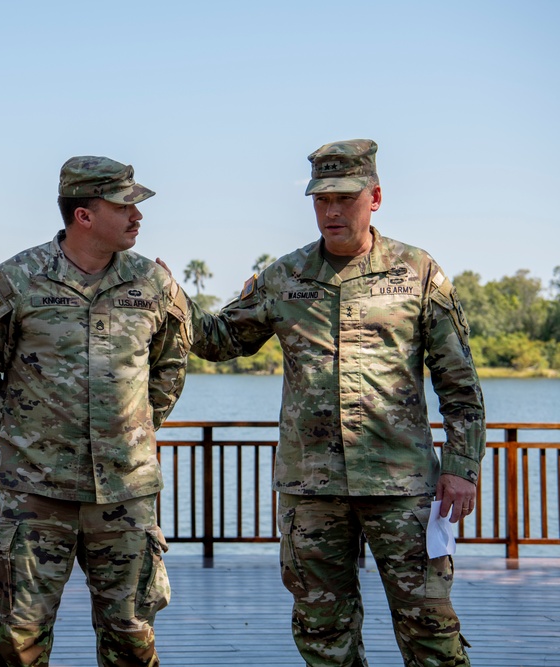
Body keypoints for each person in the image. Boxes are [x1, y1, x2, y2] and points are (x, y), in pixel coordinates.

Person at [188, 139, 486, 666]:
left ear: (374, 197)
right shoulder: (285, 277)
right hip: (312, 490)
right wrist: (166, 294)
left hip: (403, 486)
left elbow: (458, 382)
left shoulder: (417, 273)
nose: (331, 210)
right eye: (321, 199)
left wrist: (462, 466)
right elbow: (219, 341)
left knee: (430, 631)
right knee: (324, 636)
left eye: (344, 198)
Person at [0, 156, 191, 666]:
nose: (136, 216)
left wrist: (135, 428)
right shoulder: (16, 281)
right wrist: (16, 434)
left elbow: (171, 365)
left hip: (125, 496)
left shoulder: (153, 284)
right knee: (21, 639)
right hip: (37, 495)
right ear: (84, 215)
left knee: (131, 636)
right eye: (123, 205)